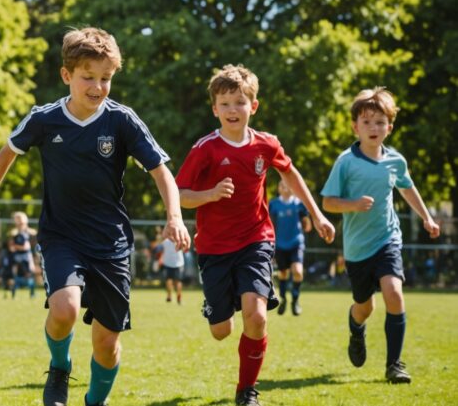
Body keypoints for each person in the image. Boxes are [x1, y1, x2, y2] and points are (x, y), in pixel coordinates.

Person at [0, 27, 190, 406]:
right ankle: (59, 368)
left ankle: (95, 400)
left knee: (107, 345)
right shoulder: (44, 119)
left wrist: (174, 216)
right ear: (66, 76)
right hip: (61, 236)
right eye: (87, 77)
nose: (97, 86)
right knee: (65, 308)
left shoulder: (122, 120)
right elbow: (8, 151)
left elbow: (162, 172)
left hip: (110, 244)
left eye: (105, 78)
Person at [176, 64, 335, 406]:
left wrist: (317, 214)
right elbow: (180, 195)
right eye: (225, 103)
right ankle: (219, 305)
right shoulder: (205, 149)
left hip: (256, 240)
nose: (233, 109)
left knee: (257, 316)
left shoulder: (266, 145)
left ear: (254, 106)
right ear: (214, 109)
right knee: (221, 331)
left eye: (240, 102)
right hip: (214, 247)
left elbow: (291, 176)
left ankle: (246, 390)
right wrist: (210, 194)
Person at [321, 87, 440, 384]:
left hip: (388, 239)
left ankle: (394, 364)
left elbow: (407, 187)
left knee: (394, 293)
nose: (374, 128)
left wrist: (427, 216)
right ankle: (356, 328)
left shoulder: (396, 161)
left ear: (389, 126)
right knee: (365, 307)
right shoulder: (346, 161)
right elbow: (328, 202)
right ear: (355, 126)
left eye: (380, 122)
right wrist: (353, 205)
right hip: (357, 248)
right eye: (367, 122)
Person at [269, 182, 312, 316]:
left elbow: (307, 224)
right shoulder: (274, 204)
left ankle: (295, 299)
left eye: (288, 186)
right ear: (279, 188)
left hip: (296, 243)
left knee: (298, 271)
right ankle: (283, 299)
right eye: (282, 186)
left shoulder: (299, 204)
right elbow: (269, 224)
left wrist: (308, 222)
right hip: (280, 244)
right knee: (283, 273)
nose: (286, 188)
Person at [8, 211, 37, 299]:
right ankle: (13, 294)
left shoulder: (31, 233)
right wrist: (19, 247)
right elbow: (11, 247)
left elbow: (28, 247)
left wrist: (32, 259)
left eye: (22, 221)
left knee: (29, 275)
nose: (20, 223)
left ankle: (32, 294)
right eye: (18, 220)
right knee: (15, 276)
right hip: (17, 258)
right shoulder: (13, 233)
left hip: (27, 257)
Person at [156, 232, 184, 305]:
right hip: (173, 263)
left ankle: (174, 296)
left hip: (174, 263)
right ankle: (173, 296)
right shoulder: (177, 241)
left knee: (173, 281)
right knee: (173, 281)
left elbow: (160, 250)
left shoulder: (167, 242)